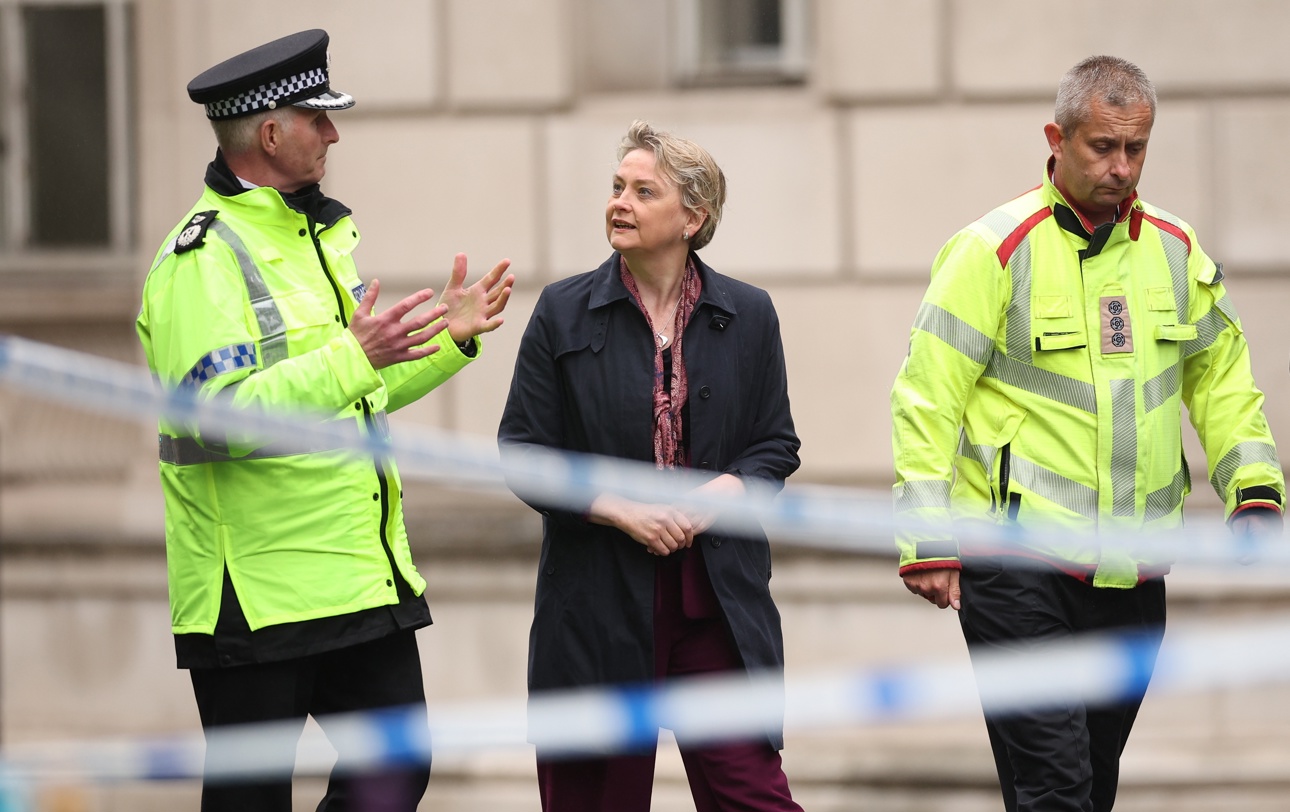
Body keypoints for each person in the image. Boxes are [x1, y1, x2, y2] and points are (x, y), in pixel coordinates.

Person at [891, 55, 1284, 812]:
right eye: (1103, 146)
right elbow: (926, 397)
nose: (1121, 167)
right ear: (1057, 139)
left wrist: (1255, 491)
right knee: (1058, 789)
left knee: (1088, 788)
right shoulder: (993, 249)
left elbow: (1223, 382)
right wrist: (927, 537)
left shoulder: (1176, 249)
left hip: (1133, 574)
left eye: (1136, 148)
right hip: (1016, 568)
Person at [135, 29, 514, 812]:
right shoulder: (199, 261)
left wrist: (448, 338)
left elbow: (350, 393)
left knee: (397, 771)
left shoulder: (314, 236)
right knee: (250, 803)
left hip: (356, 576)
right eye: (319, 118)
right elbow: (214, 422)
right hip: (256, 593)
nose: (334, 134)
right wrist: (352, 357)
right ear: (272, 134)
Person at [498, 121, 803, 812]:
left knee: (754, 796)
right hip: (596, 605)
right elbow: (523, 450)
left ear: (693, 218)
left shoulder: (749, 314)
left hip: (714, 602)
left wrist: (716, 497)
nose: (620, 203)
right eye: (617, 187)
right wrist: (621, 510)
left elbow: (774, 445)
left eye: (643, 191)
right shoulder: (562, 311)